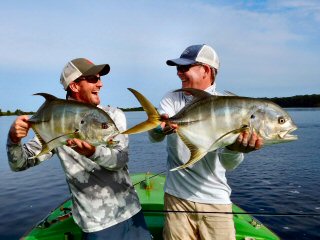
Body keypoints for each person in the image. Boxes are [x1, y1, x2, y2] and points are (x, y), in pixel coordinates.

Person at [7, 58, 151, 240]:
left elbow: (120, 160)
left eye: (99, 78)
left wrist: (92, 152)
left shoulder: (113, 116)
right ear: (74, 86)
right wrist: (13, 140)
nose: (100, 84)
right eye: (93, 79)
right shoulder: (56, 125)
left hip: (131, 211)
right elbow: (19, 164)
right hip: (97, 224)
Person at [148, 44, 264, 240]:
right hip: (177, 197)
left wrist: (234, 149)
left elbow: (228, 164)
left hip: (215, 200)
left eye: (185, 68)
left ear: (206, 70)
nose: (179, 73)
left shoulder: (229, 105)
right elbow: (154, 136)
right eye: (178, 68)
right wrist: (160, 129)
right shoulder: (172, 98)